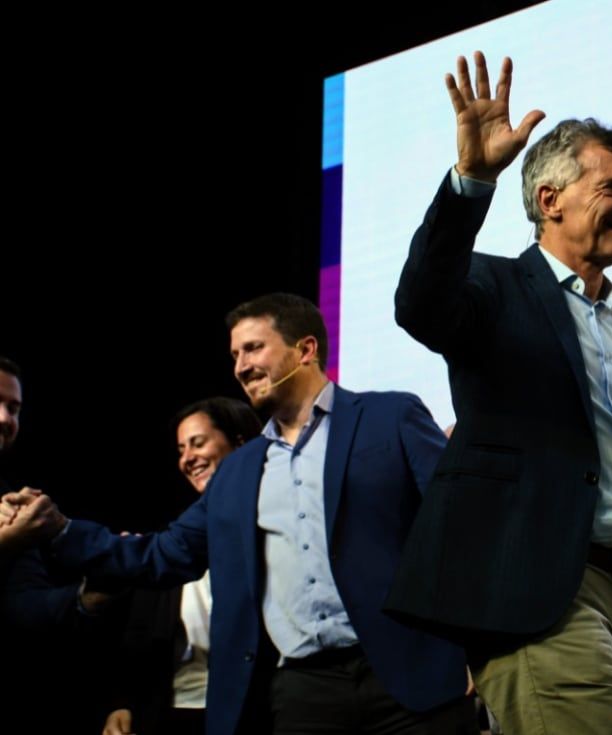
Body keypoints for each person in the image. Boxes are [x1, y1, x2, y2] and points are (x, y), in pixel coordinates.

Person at [386, 52, 612, 734]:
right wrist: (470, 179)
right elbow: (419, 303)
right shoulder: (494, 290)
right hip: (533, 593)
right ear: (550, 199)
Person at [7, 293, 477, 735]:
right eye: (234, 355)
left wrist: (472, 650)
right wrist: (62, 529)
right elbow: (165, 554)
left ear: (305, 349)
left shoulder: (389, 418)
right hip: (304, 694)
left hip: (411, 675)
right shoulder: (237, 472)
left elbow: (460, 526)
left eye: (253, 349)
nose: (241, 366)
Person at [103, 397, 261, 735]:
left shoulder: (271, 530)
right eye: (180, 449)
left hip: (252, 713)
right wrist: (123, 701)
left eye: (198, 443)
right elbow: (138, 635)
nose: (187, 458)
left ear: (240, 444)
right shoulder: (173, 544)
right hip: (170, 715)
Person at [0, 356, 124, 733]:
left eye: (14, 408)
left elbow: (24, 605)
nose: (6, 418)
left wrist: (89, 597)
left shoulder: (9, 500)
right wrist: (7, 541)